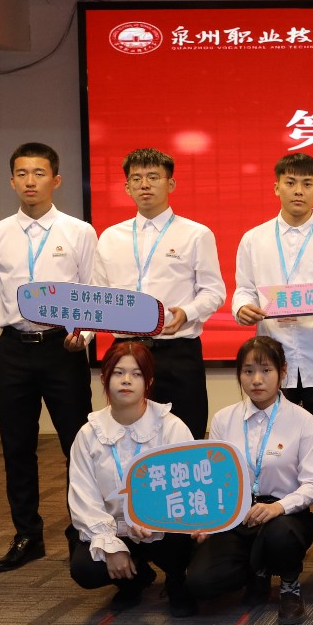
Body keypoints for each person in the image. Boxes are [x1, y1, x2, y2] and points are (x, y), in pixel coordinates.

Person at [0, 142, 96, 572]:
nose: (30, 181)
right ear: (12, 181)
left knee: (77, 445)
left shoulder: (78, 232)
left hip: (62, 348)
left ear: (56, 180)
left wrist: (83, 335)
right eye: (22, 173)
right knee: (16, 447)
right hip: (13, 349)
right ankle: (27, 535)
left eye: (39, 173)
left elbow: (91, 291)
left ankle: (81, 532)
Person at [187, 337, 313, 625]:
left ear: (282, 371)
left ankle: (289, 585)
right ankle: (256, 572)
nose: (256, 380)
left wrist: (279, 507)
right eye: (248, 371)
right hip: (237, 512)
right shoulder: (224, 419)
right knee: (200, 582)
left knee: (280, 535)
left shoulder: (303, 421)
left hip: (285, 513)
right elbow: (213, 479)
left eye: (266, 370)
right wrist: (208, 520)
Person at [93, 148, 226, 439]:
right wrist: (85, 333)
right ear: (127, 187)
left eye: (153, 177)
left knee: (186, 436)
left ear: (171, 184)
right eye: (136, 178)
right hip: (125, 352)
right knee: (125, 437)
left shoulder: (196, 234)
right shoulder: (110, 237)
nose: (144, 185)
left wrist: (187, 312)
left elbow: (214, 291)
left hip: (177, 352)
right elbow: (98, 296)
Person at [67, 342, 197, 616]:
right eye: (118, 373)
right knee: (85, 568)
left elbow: (188, 489)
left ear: (148, 382)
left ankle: (177, 580)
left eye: (136, 374)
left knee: (184, 545)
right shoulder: (88, 434)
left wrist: (153, 517)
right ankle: (133, 579)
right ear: (105, 378)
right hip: (115, 527)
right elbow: (84, 499)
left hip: (164, 528)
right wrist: (111, 546)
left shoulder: (171, 427)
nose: (126, 380)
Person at [232, 152, 313, 422]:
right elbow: (244, 288)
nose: (298, 191)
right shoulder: (254, 239)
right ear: (276, 187)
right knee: (276, 435)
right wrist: (242, 307)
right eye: (290, 183)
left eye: (307, 184)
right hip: (272, 358)